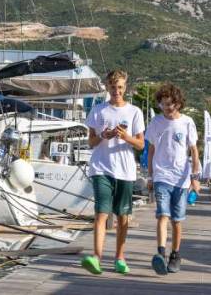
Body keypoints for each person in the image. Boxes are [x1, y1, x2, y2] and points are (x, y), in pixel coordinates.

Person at [79, 70, 144, 276]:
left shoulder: (134, 112)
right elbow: (91, 142)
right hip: (101, 168)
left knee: (123, 216)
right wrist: (103, 135)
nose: (117, 91)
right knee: (101, 213)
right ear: (107, 87)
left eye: (120, 87)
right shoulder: (98, 110)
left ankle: (119, 257)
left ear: (125, 88)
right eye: (113, 87)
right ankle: (96, 257)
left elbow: (141, 144)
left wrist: (125, 137)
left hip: (125, 171)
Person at [145, 82, 200, 275]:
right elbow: (151, 150)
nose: (166, 108)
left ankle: (175, 255)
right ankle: (160, 254)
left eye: (169, 104)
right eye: (162, 104)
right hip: (161, 175)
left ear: (178, 103)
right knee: (162, 215)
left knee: (177, 220)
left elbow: (194, 151)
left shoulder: (187, 122)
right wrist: (150, 176)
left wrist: (195, 177)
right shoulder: (156, 122)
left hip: (181, 179)